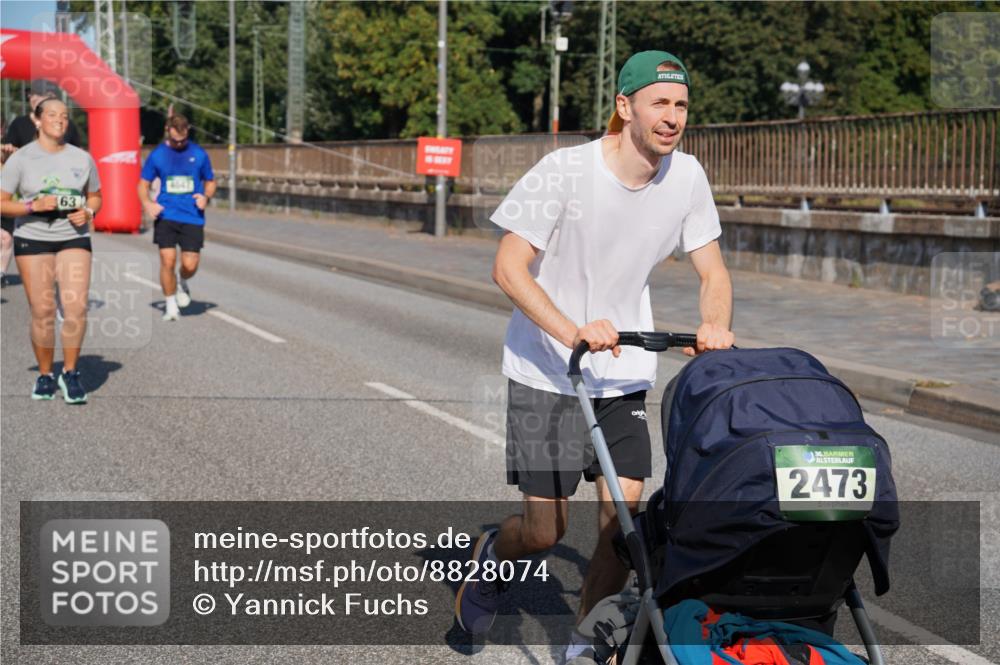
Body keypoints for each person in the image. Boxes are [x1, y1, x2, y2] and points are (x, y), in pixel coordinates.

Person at [455, 51, 736, 658]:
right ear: (624, 106)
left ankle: (584, 645)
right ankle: (488, 561)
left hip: (624, 372)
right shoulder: (565, 171)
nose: (672, 117)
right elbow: (508, 266)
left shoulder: (686, 178)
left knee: (620, 529)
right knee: (543, 531)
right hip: (545, 371)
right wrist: (571, 330)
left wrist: (714, 327)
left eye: (681, 105)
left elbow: (712, 272)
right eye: (659, 103)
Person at [0, 97, 101, 404]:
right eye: (53, 115)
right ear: (38, 120)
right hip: (33, 237)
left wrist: (89, 212)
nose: (60, 120)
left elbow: (95, 196)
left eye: (65, 116)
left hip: (73, 236)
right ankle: (45, 375)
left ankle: (70, 373)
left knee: (75, 307)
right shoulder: (21, 159)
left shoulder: (82, 158)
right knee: (43, 312)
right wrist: (32, 205)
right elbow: (2, 202)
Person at [137, 114, 216, 321]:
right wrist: (148, 204)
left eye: (182, 140)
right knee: (167, 260)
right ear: (167, 131)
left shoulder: (199, 154)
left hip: (192, 216)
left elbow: (210, 181)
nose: (179, 144)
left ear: (187, 131)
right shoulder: (158, 155)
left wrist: (206, 197)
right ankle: (170, 305)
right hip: (166, 215)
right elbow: (143, 184)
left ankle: (182, 280)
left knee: (190, 264)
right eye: (175, 140)